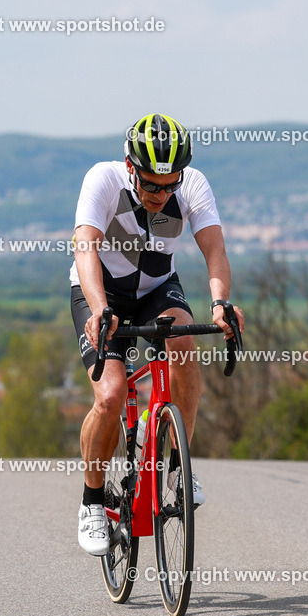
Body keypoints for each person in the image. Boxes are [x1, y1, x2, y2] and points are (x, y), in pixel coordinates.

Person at [70, 113, 245, 555]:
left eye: (170, 185)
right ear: (131, 167)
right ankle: (92, 501)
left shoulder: (192, 185)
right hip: (100, 291)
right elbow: (85, 244)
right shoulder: (103, 180)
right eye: (151, 185)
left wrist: (221, 302)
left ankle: (174, 467)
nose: (161, 194)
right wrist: (99, 309)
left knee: (183, 343)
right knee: (109, 396)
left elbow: (214, 247)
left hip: (155, 288)